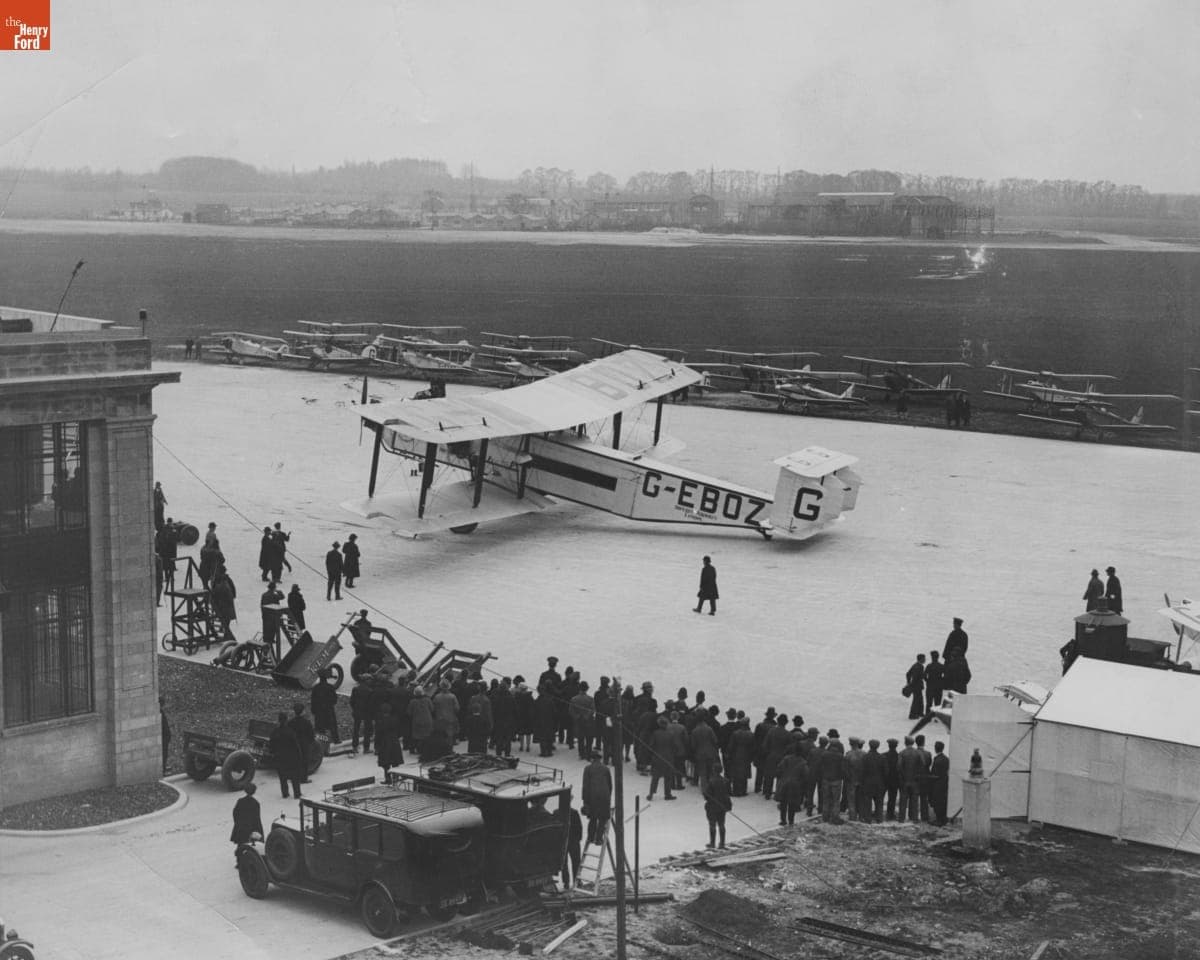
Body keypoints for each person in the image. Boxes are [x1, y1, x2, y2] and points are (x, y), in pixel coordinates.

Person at [269, 711, 304, 799]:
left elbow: (271, 746)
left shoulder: (274, 732)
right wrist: (299, 757)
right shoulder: (290, 732)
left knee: (282, 777)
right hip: (291, 758)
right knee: (294, 777)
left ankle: (285, 793)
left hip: (279, 758)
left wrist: (274, 754)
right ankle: (297, 793)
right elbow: (296, 746)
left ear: (279, 720)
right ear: (286, 720)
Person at [581, 752, 613, 845]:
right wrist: (608, 797)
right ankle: (599, 839)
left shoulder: (588, 769)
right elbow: (610, 785)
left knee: (593, 818)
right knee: (603, 819)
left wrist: (585, 801)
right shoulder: (606, 769)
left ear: (592, 759)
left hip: (593, 797)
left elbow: (585, 786)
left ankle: (591, 838)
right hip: (605, 796)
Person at [703, 761, 733, 848]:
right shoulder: (726, 781)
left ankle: (712, 843)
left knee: (712, 824)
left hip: (712, 807)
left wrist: (705, 793)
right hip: (723, 806)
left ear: (714, 770)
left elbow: (707, 796)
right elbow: (729, 793)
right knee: (722, 824)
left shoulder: (711, 782)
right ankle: (722, 843)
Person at [647, 716, 677, 801]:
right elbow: (674, 746)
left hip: (657, 758)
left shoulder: (655, 733)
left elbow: (651, 746)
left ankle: (651, 794)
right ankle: (668, 794)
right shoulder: (671, 733)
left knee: (655, 777)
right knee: (668, 777)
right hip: (669, 758)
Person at [229, 782, 263, 852]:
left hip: (240, 827)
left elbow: (235, 813)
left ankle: (239, 857)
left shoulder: (240, 801)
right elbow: (257, 818)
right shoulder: (255, 803)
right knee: (250, 846)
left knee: (240, 844)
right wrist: (258, 829)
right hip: (250, 828)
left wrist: (237, 823)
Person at [288, 702, 316, 782]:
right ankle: (303, 778)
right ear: (303, 712)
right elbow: (311, 734)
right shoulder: (307, 722)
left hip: (294, 744)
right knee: (304, 761)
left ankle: (293, 777)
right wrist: (310, 742)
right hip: (304, 744)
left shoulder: (290, 722)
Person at [311, 669, 340, 744]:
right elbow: (334, 699)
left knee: (319, 728)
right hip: (329, 710)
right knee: (332, 726)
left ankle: (321, 743)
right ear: (326, 678)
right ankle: (336, 740)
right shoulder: (330, 687)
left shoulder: (316, 688)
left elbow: (313, 701)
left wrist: (314, 710)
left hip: (319, 711)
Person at [375, 702, 404, 776]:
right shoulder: (395, 719)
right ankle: (395, 778)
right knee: (395, 761)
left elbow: (378, 734)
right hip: (394, 741)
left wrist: (377, 746)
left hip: (384, 742)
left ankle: (387, 778)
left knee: (385, 763)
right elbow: (400, 731)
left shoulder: (380, 721)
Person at [861, 739, 886, 824]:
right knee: (879, 801)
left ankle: (868, 819)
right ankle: (879, 819)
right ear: (878, 746)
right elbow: (886, 772)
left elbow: (862, 771)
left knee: (867, 801)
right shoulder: (882, 757)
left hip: (868, 782)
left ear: (869, 745)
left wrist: (863, 781)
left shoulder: (865, 757)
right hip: (879, 783)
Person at [898, 736, 921, 823]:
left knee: (903, 800)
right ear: (913, 743)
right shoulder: (917, 753)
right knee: (914, 800)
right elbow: (921, 765)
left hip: (905, 781)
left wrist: (902, 777)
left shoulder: (902, 753)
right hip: (914, 780)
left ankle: (901, 818)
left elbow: (899, 767)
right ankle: (914, 818)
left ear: (905, 743)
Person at [210, 571, 238, 641]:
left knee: (225, 618)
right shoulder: (226, 582)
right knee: (226, 619)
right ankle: (225, 632)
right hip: (226, 604)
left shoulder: (221, 585)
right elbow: (233, 588)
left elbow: (214, 593)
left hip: (223, 605)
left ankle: (226, 633)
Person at [351, 674, 375, 754]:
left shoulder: (355, 689)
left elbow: (352, 702)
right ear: (366, 680)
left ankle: (354, 747)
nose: (371, 681)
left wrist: (354, 709)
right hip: (367, 713)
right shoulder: (370, 691)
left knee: (356, 730)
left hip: (357, 712)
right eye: (369, 679)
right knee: (366, 731)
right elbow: (371, 704)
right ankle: (366, 748)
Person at [562, 805, 583, 890]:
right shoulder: (574, 812)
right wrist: (578, 839)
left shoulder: (556, 812)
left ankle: (566, 883)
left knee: (563, 863)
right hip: (573, 841)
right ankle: (576, 881)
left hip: (562, 842)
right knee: (576, 862)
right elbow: (579, 827)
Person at [930, 740, 950, 826]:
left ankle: (939, 820)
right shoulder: (946, 759)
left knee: (937, 801)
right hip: (945, 782)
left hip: (937, 783)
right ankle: (943, 819)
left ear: (935, 748)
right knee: (943, 801)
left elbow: (934, 772)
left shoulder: (936, 759)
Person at [905, 653, 926, 720]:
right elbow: (917, 677)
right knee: (916, 700)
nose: (925, 660)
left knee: (919, 699)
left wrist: (909, 683)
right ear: (921, 659)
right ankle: (913, 714)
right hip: (917, 686)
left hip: (915, 686)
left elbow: (908, 674)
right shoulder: (920, 667)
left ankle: (919, 712)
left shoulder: (915, 665)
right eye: (924, 658)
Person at [159, 695, 171, 777]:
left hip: (164, 736)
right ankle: (162, 770)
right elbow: (164, 726)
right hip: (163, 737)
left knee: (163, 753)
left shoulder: (160, 712)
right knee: (163, 753)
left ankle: (163, 768)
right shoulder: (160, 713)